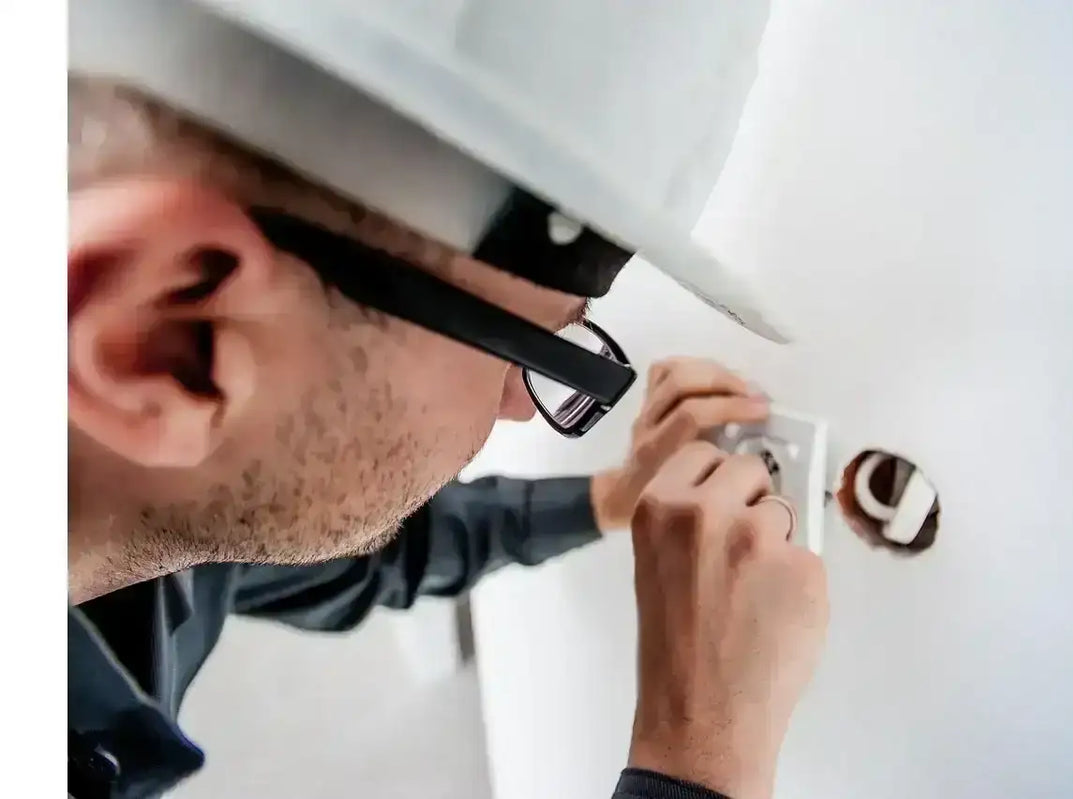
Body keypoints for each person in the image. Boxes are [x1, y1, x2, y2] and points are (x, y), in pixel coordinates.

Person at [68, 3, 829, 798]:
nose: (520, 407)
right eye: (523, 349)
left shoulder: (153, 528)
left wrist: (612, 497)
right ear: (166, 338)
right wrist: (700, 763)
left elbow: (370, 552)